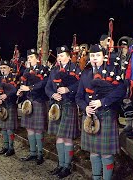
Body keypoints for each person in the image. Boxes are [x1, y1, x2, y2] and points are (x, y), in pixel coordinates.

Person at [75, 44, 126, 180]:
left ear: (103, 57)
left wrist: (102, 102)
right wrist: (85, 107)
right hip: (90, 116)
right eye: (92, 56)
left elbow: (121, 91)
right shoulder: (85, 73)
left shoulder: (112, 70)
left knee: (106, 153)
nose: (95, 58)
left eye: (97, 55)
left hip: (107, 113)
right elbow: (79, 96)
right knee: (93, 152)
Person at [45, 45, 80, 178]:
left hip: (69, 105)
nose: (60, 58)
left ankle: (67, 166)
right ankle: (60, 164)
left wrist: (68, 89)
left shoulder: (75, 68)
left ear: (69, 57)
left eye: (62, 55)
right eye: (58, 55)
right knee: (58, 137)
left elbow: (80, 84)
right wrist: (53, 95)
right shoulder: (54, 70)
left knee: (67, 138)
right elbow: (48, 87)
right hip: (56, 107)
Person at [18, 49, 49, 165]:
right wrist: (20, 91)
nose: (29, 59)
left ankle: (40, 154)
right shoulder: (26, 70)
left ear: (37, 58)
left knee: (38, 130)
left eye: (31, 57)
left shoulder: (44, 69)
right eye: (28, 58)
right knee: (29, 129)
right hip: (28, 102)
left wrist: (30, 88)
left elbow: (44, 83)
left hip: (39, 101)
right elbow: (23, 84)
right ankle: (32, 153)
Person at [0, 60, 18, 157]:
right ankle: (5, 146)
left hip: (10, 105)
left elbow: (15, 90)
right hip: (1, 106)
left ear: (9, 68)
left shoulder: (14, 78)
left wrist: (6, 95)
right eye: (2, 67)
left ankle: (11, 148)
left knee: (9, 129)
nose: (3, 69)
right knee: (3, 128)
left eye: (5, 67)